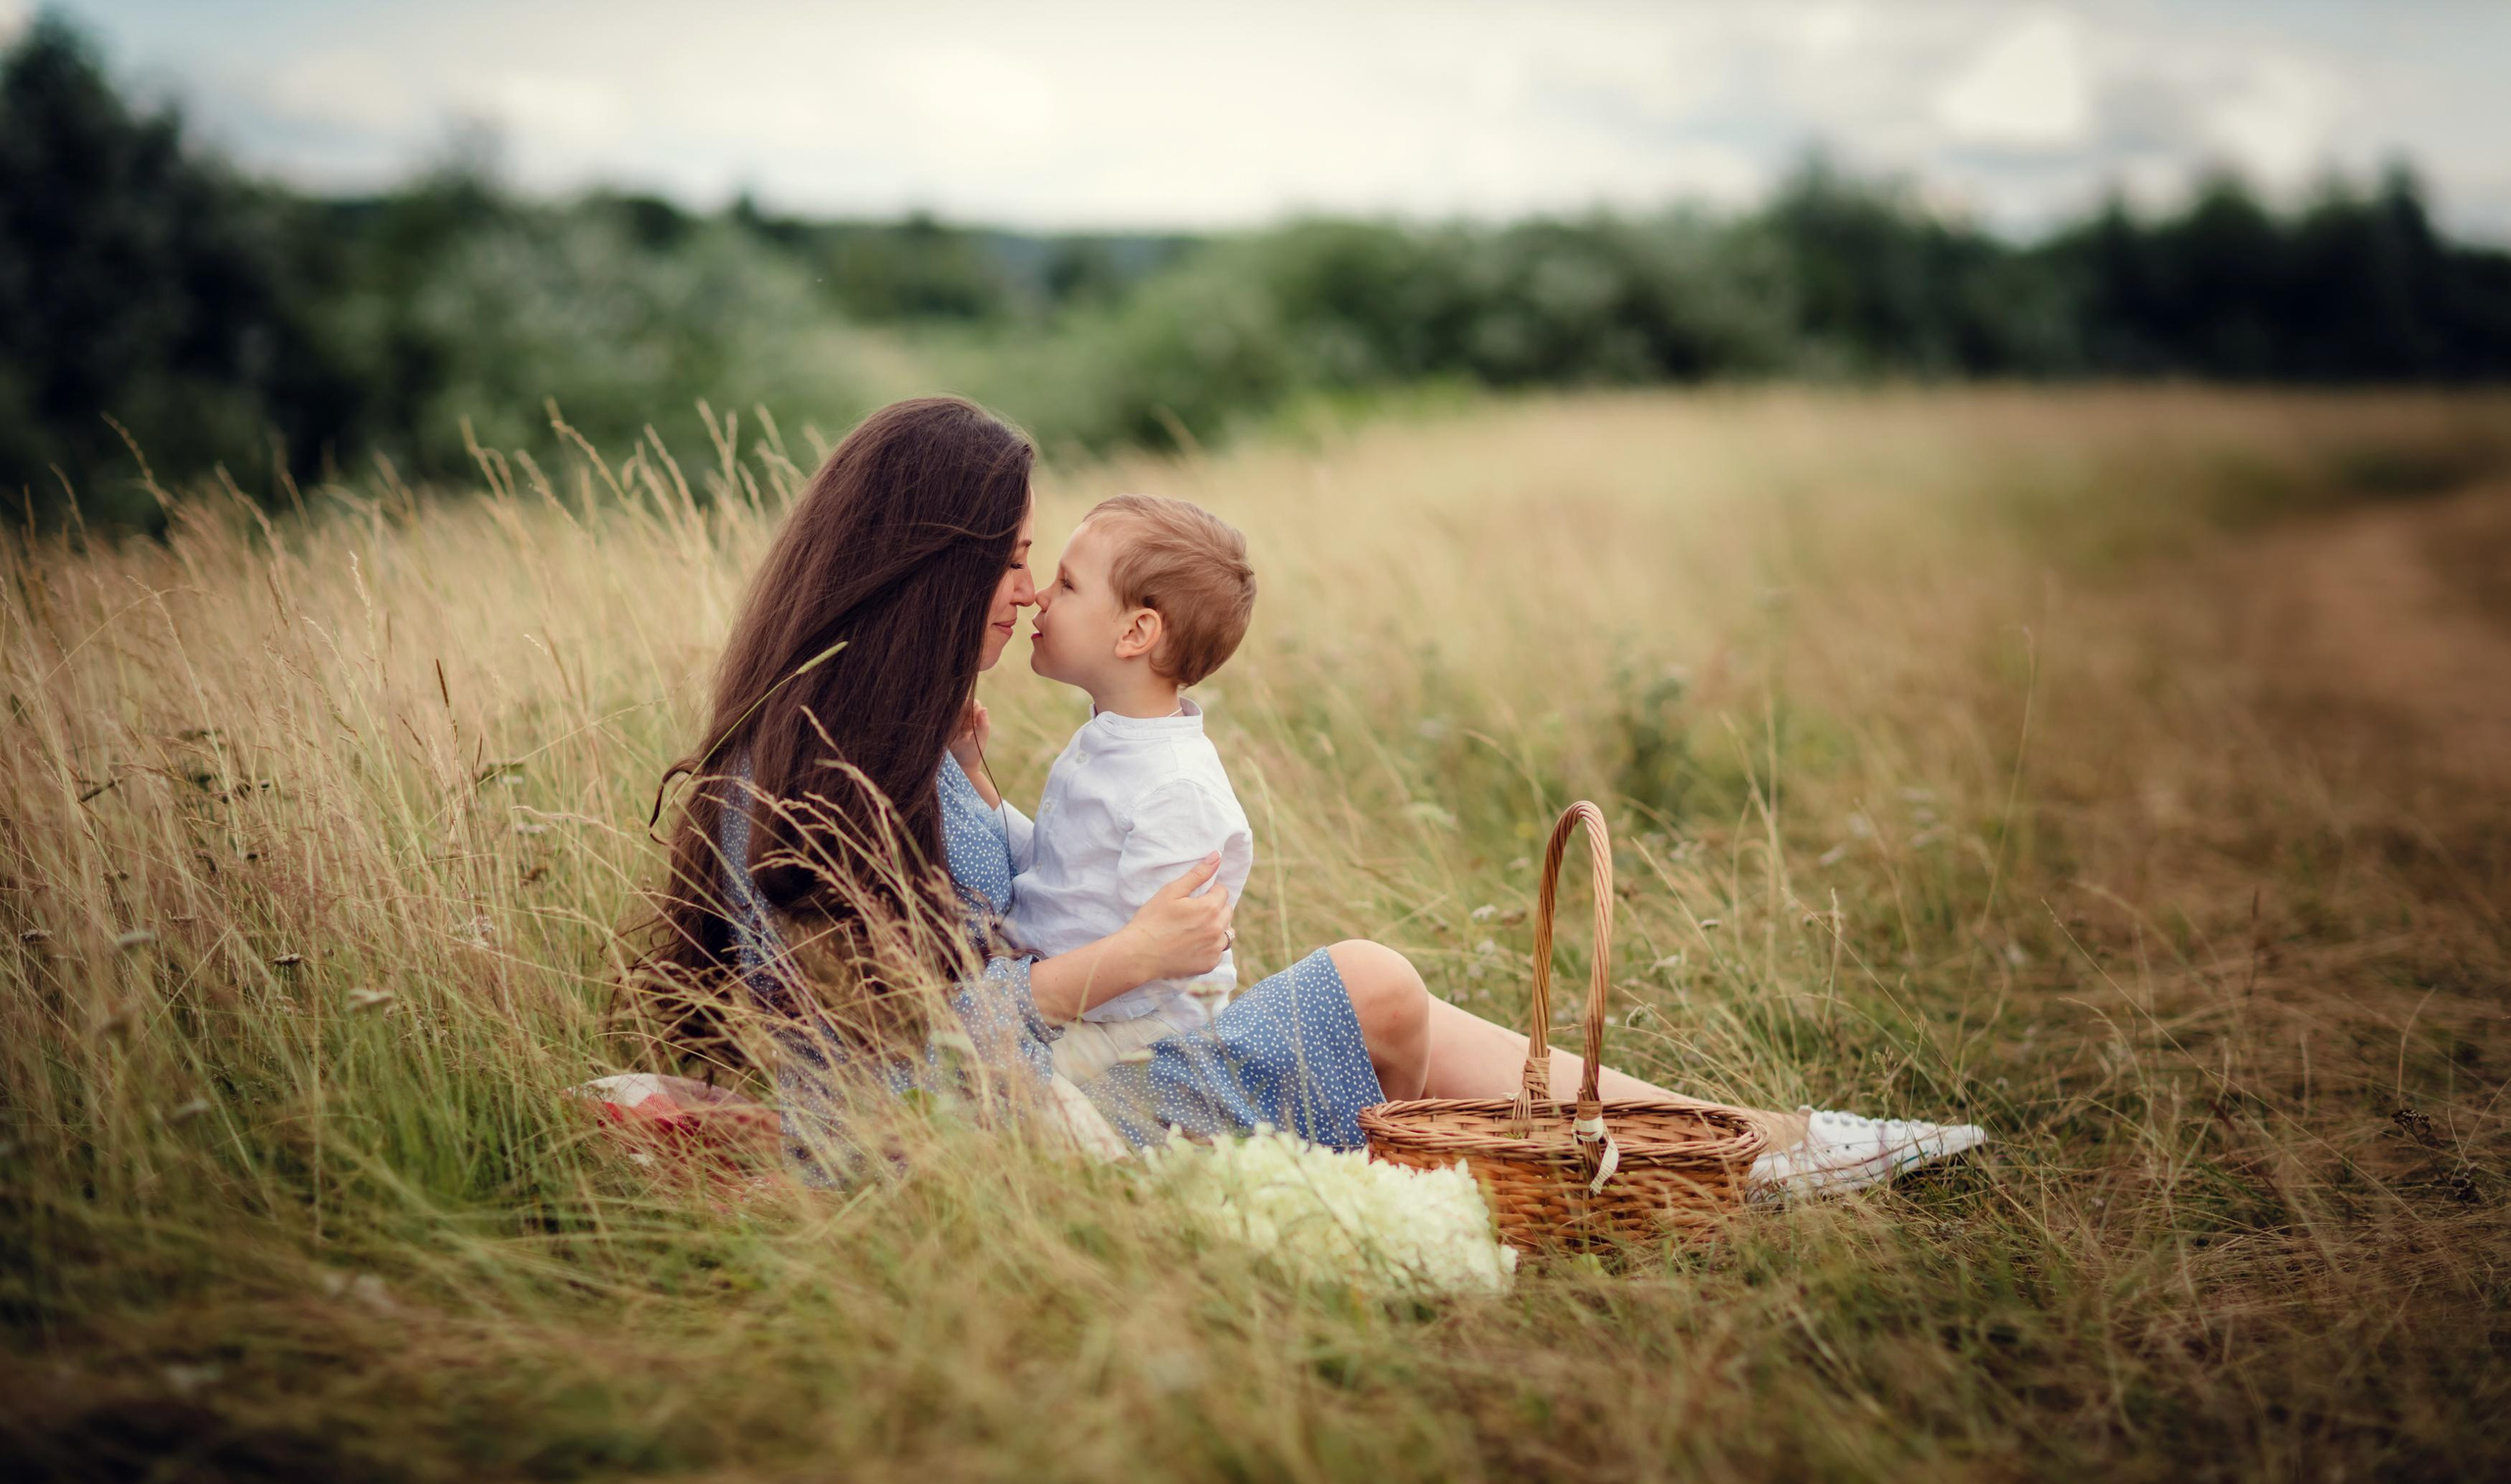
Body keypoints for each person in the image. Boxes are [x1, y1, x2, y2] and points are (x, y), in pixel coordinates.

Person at [635, 396, 1982, 1194]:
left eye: (1044, 563)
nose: (1031, 590)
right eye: (1011, 558)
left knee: (1393, 1004)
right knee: (1373, 983)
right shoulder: (812, 785)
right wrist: (1116, 960)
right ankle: (1728, 1148)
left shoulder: (896, 753)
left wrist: (985, 797)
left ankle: (1720, 1142)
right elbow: (898, 1068)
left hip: (1045, 1098)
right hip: (1004, 1145)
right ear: (929, 572)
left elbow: (979, 936)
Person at [948, 493, 1260, 1148]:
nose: (1039, 598)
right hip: (1090, 1011)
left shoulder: (1173, 785)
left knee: (976, 1094)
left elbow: (1162, 961)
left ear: (1135, 634)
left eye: (1067, 584)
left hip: (1135, 1034)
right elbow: (1057, 870)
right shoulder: (1113, 740)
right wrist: (976, 775)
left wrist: (1039, 997)